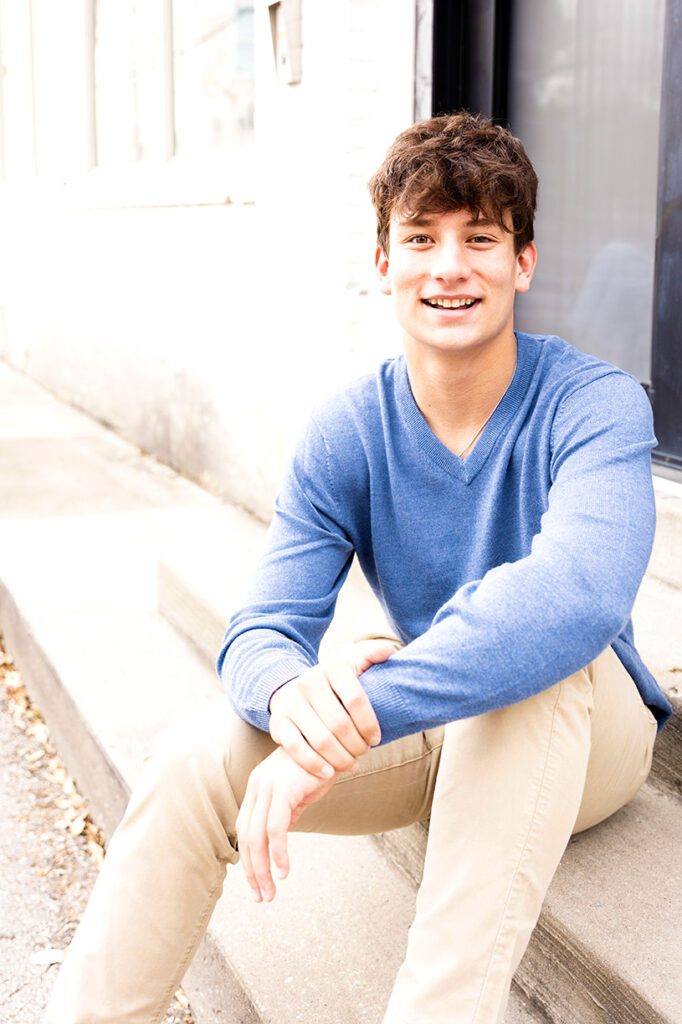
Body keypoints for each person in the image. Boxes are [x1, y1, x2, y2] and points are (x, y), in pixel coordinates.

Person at [45, 112, 672, 1024]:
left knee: (531, 667)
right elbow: (263, 628)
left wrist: (366, 706)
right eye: (421, 238)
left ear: (523, 263)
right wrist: (292, 701)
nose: (449, 266)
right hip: (433, 718)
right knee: (192, 759)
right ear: (384, 263)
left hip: (588, 731)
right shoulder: (348, 427)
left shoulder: (594, 404)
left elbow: (576, 596)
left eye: (481, 239)